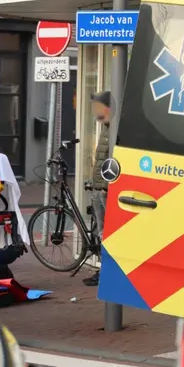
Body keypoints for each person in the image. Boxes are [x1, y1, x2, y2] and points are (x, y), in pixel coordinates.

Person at [84, 91, 112, 287]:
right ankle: (104, 270)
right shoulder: (106, 128)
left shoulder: (114, 129)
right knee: (102, 232)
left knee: (106, 233)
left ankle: (106, 272)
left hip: (105, 190)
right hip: (99, 187)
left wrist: (105, 187)